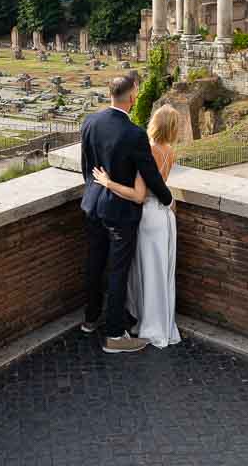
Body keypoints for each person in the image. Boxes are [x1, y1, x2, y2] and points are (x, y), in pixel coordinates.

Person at [80, 74, 173, 354]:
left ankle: (90, 319)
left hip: (93, 204)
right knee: (118, 271)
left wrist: (96, 192)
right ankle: (114, 336)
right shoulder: (133, 134)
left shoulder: (89, 122)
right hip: (120, 212)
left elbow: (86, 168)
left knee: (94, 264)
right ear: (132, 98)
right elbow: (150, 176)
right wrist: (167, 200)